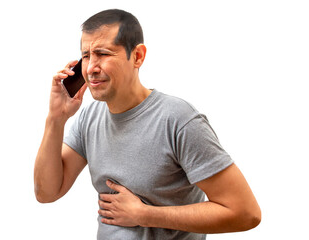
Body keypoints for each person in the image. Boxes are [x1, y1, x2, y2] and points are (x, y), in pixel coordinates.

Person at [34, 9, 261, 240]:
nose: (91, 67)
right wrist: (56, 118)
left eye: (102, 53)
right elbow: (46, 192)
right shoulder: (88, 118)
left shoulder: (179, 120)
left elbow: (245, 212)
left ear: (138, 56)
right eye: (85, 55)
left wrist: (145, 215)